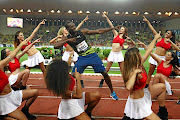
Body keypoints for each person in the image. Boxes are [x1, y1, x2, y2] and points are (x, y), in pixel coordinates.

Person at [54, 21, 121, 100]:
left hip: (92, 55)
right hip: (82, 58)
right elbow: (56, 46)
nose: (74, 27)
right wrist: (68, 40)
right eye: (71, 27)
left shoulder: (82, 32)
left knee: (105, 73)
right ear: (68, 29)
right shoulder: (66, 38)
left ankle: (112, 92)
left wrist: (112, 28)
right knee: (72, 75)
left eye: (74, 25)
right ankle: (67, 93)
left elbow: (98, 31)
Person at [122, 32, 168, 120]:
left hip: (144, 94)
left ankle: (163, 112)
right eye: (138, 53)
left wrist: (155, 38)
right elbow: (128, 87)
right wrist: (135, 73)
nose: (141, 54)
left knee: (162, 87)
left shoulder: (140, 63)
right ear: (135, 57)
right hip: (138, 103)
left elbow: (149, 50)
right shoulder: (133, 71)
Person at [0, 39, 39, 120]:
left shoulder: (1, 65)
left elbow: (13, 55)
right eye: (8, 51)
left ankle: (25, 109)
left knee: (35, 92)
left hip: (12, 94)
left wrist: (22, 45)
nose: (10, 52)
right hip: (4, 102)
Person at [50, 16, 89, 87]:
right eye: (65, 29)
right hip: (67, 54)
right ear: (63, 31)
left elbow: (78, 27)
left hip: (74, 53)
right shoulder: (62, 38)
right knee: (66, 69)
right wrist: (57, 37)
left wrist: (83, 21)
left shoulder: (71, 35)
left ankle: (80, 81)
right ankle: (66, 81)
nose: (66, 30)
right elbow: (51, 42)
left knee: (78, 67)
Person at [99, 13, 135, 87]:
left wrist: (130, 39)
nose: (120, 30)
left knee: (122, 69)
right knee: (107, 69)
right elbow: (111, 25)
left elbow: (133, 44)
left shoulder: (124, 39)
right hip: (113, 53)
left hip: (119, 54)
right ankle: (102, 80)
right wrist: (106, 17)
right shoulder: (115, 34)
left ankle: (125, 82)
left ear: (124, 31)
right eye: (120, 29)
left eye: (122, 29)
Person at [143, 16, 180, 86]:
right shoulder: (159, 38)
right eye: (166, 32)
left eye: (168, 33)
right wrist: (147, 22)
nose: (166, 34)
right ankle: (146, 84)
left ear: (171, 36)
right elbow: (153, 30)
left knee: (162, 73)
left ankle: (162, 85)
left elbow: (178, 49)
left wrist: (171, 42)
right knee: (150, 72)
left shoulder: (170, 44)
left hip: (163, 58)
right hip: (155, 56)